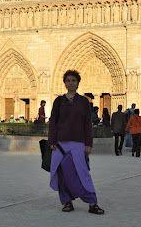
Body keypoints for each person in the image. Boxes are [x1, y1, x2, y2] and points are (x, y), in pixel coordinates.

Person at [48, 70, 104, 215]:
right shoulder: (59, 101)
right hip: (60, 144)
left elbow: (87, 123)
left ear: (78, 83)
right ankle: (67, 202)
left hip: (78, 143)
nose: (71, 83)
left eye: (73, 80)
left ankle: (92, 203)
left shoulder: (84, 101)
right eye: (68, 80)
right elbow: (53, 121)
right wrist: (52, 140)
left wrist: (88, 143)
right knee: (63, 174)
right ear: (64, 83)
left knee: (83, 173)